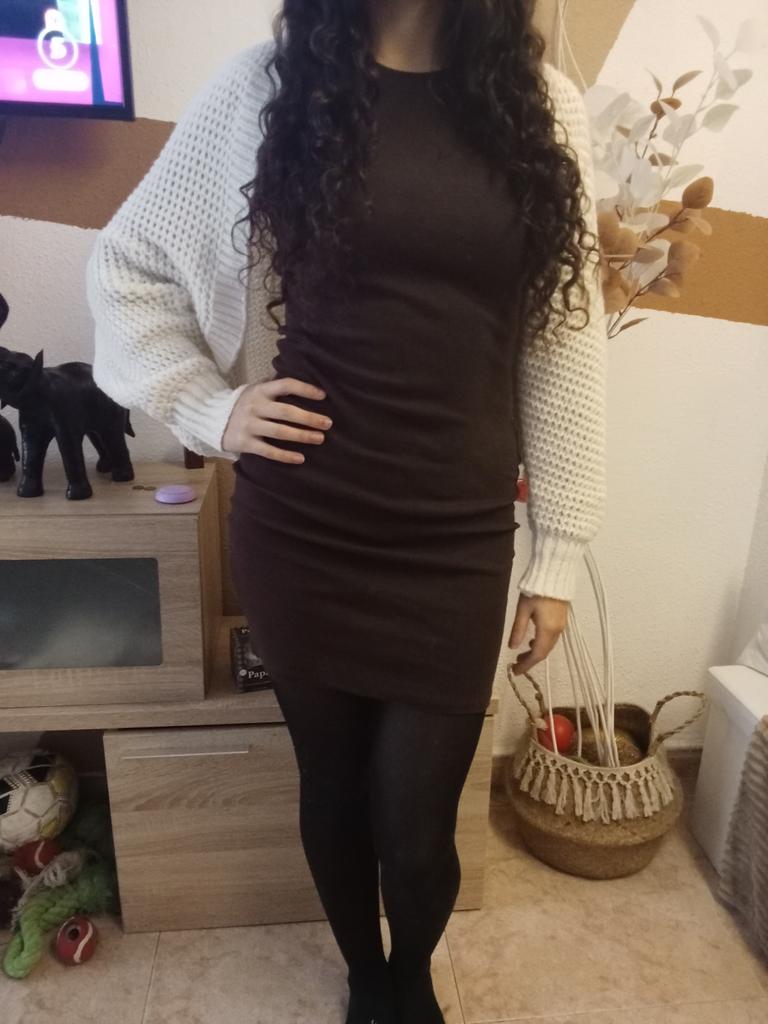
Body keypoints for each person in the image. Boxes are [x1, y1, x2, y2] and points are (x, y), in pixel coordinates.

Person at [85, 1, 607, 1021]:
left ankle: (410, 973)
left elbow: (564, 342)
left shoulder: (544, 108)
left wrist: (559, 552)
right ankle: (370, 978)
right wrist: (212, 408)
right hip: (304, 522)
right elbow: (128, 267)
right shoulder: (266, 88)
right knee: (330, 783)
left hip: (455, 534)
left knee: (416, 827)